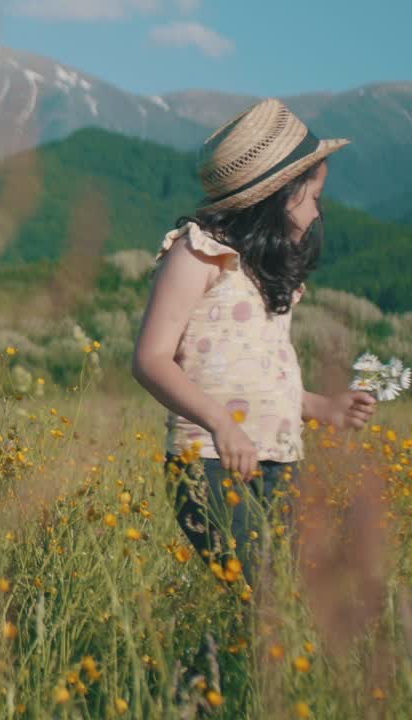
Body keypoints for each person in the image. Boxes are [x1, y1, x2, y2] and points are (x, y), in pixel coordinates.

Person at [131, 97, 377, 703]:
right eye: (313, 194)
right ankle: (193, 696)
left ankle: (195, 697)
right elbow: (150, 358)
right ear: (280, 194)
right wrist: (219, 423)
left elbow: (267, 376)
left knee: (280, 603)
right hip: (209, 463)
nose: (319, 209)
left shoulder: (273, 271)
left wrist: (323, 408)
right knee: (264, 596)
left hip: (277, 461)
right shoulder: (197, 254)